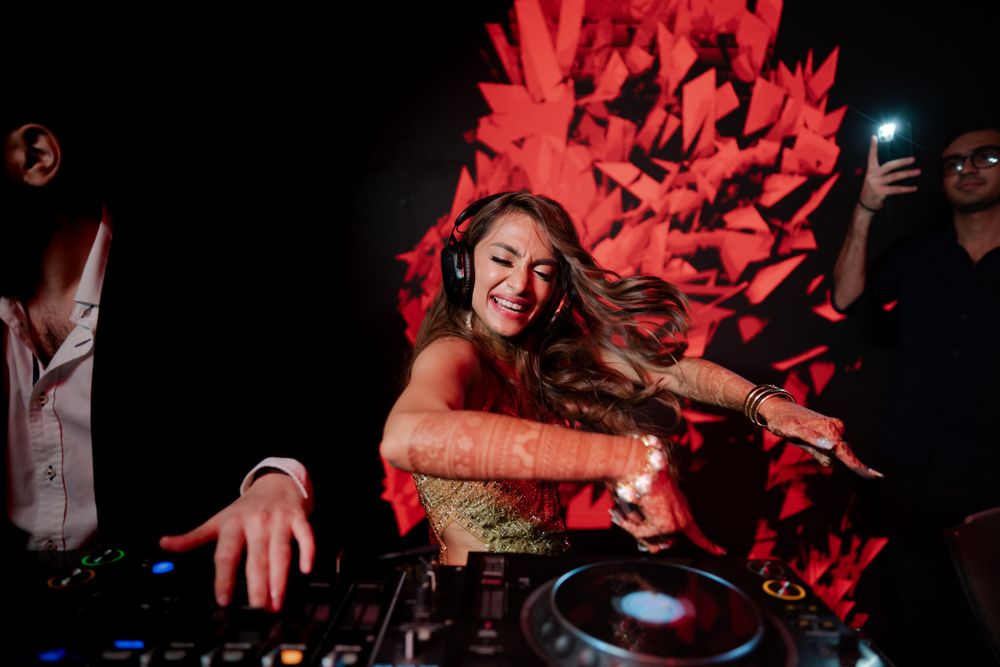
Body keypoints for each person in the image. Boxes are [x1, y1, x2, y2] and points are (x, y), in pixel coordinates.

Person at [381, 191, 880, 566]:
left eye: (543, 270)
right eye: (502, 259)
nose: (519, 284)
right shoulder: (454, 353)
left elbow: (669, 372)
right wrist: (631, 460)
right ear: (462, 265)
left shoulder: (535, 355)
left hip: (538, 590)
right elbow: (405, 437)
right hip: (475, 612)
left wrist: (771, 407)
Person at [0, 86, 314, 612]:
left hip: (163, 605)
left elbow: (297, 426)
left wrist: (273, 482)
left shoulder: (208, 279)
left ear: (34, 158)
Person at [832, 121, 1000, 664]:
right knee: (915, 620)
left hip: (992, 480)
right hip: (910, 473)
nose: (967, 170)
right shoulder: (918, 256)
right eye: (953, 163)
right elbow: (845, 298)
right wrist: (865, 210)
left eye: (984, 158)